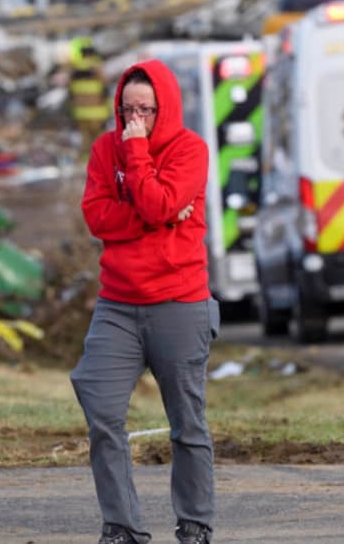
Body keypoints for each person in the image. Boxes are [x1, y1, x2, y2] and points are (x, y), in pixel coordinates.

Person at [72, 60, 219, 544]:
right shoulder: (102, 149)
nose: (135, 120)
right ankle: (122, 525)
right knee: (100, 407)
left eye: (146, 110)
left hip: (179, 301)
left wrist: (138, 159)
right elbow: (97, 216)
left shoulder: (190, 151)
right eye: (127, 109)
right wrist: (151, 214)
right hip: (117, 304)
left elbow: (159, 202)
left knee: (186, 422)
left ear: (166, 108)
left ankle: (195, 521)